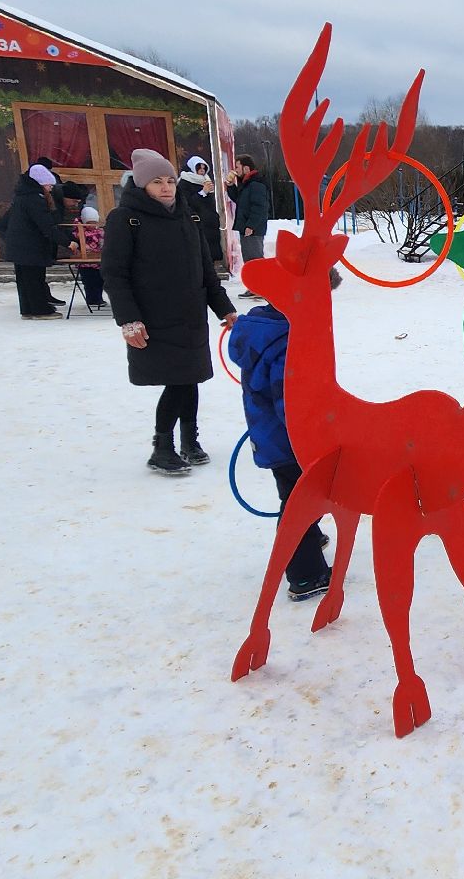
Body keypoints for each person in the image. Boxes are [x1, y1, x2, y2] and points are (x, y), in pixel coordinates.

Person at [102, 148, 237, 475]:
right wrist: (129, 320)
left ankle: (189, 441)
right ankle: (162, 447)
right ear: (141, 184)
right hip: (154, 320)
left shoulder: (188, 216)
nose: (165, 187)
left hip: (190, 317)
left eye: (170, 181)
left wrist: (225, 309)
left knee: (189, 379)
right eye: (156, 181)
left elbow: (205, 270)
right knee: (178, 381)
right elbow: (114, 273)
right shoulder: (126, 219)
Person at [228, 271, 343, 601]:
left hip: (274, 435)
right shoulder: (287, 341)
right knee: (297, 503)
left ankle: (309, 536)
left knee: (303, 494)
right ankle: (306, 574)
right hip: (291, 440)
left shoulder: (265, 326)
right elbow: (291, 402)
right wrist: (316, 434)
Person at [2, 164, 72, 319]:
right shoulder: (35, 199)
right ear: (40, 183)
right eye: (49, 185)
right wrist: (67, 242)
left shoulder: (22, 197)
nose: (50, 189)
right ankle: (40, 310)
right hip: (30, 246)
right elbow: (46, 225)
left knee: (25, 279)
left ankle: (27, 309)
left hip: (20, 246)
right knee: (34, 278)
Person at [227, 155, 272, 296]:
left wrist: (251, 225)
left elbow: (259, 207)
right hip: (246, 227)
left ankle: (262, 288)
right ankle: (255, 287)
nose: (235, 170)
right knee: (250, 259)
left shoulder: (256, 184)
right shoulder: (246, 183)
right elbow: (240, 201)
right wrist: (230, 186)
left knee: (255, 259)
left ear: (246, 168)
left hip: (253, 229)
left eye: (237, 167)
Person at [59, 183, 107, 310]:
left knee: (100, 281)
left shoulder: (100, 232)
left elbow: (103, 242)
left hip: (98, 262)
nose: (92, 225)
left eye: (94, 223)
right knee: (89, 282)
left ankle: (99, 298)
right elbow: (76, 241)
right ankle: (92, 299)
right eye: (90, 223)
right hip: (85, 263)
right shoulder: (79, 231)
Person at [179, 156, 223, 273]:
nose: (202, 170)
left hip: (210, 222)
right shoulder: (185, 182)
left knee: (211, 249)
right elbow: (186, 203)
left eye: (204, 168)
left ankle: (213, 268)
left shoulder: (206, 180)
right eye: (199, 168)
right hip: (196, 222)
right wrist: (202, 193)